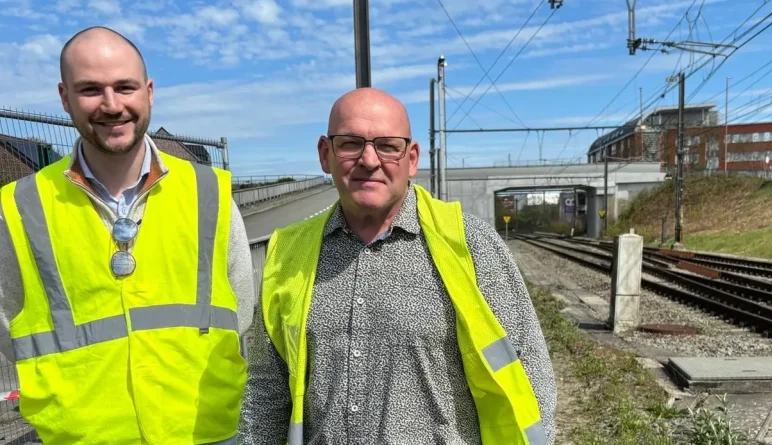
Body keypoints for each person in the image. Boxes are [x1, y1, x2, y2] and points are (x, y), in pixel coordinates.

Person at [240, 87, 556, 444]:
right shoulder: (288, 253)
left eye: (388, 146)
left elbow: (529, 371)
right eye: (350, 143)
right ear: (325, 155)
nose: (369, 160)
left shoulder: (472, 244)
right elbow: (265, 394)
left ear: (412, 158)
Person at [0, 26, 254, 444]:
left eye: (125, 87)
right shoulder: (21, 206)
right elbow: (10, 325)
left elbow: (239, 312)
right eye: (90, 89)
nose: (112, 105)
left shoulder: (208, 192)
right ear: (65, 97)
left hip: (203, 433)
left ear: (149, 92)